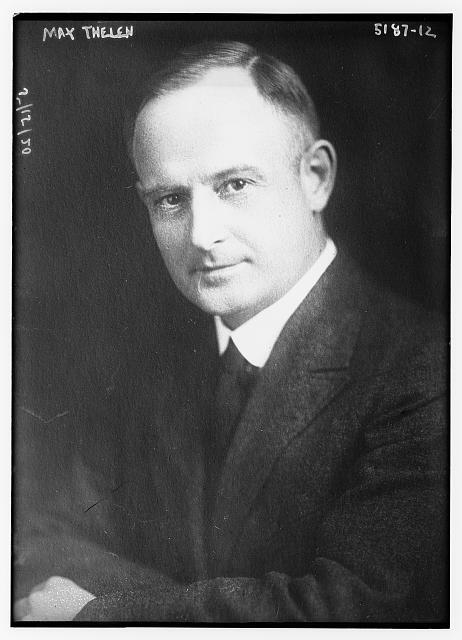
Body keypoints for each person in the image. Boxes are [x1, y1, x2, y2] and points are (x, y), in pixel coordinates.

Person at [14, 41, 447, 623]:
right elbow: (37, 537)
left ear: (316, 178)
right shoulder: (150, 362)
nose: (201, 234)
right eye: (171, 199)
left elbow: (356, 609)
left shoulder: (427, 370)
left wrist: (103, 615)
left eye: (235, 185)